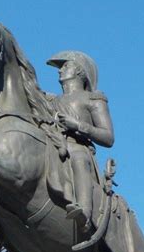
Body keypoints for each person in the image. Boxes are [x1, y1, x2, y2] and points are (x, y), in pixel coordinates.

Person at [47, 51, 114, 229]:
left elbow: (108, 137)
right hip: (53, 143)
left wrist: (77, 125)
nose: (60, 70)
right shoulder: (50, 100)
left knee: (79, 159)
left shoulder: (93, 99)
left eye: (65, 65)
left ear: (80, 71)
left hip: (78, 147)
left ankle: (84, 213)